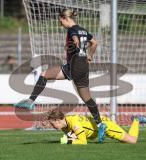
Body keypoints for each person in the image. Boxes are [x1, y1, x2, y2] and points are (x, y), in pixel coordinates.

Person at [15, 9, 106, 143]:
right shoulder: (82, 30)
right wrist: (89, 56)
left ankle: (30, 101)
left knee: (45, 74)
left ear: (65, 18)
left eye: (60, 21)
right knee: (87, 98)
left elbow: (76, 41)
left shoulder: (72, 30)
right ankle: (100, 124)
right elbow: (94, 43)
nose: (60, 24)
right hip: (82, 66)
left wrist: (74, 47)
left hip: (74, 66)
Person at [47, 109, 146, 145]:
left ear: (58, 120)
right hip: (97, 128)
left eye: (52, 124)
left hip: (105, 126)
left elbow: (83, 142)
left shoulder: (73, 123)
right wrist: (70, 138)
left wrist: (68, 141)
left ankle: (136, 120)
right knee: (124, 142)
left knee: (132, 141)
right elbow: (74, 137)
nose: (52, 126)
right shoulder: (64, 126)